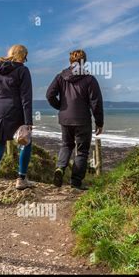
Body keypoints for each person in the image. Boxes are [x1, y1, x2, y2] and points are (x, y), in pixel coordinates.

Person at [0, 44, 34, 205]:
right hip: (15, 114)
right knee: (25, 143)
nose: (26, 59)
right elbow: (26, 98)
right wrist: (28, 122)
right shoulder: (23, 71)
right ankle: (21, 178)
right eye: (25, 56)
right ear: (22, 56)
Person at [46, 49, 104, 190]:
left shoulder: (60, 77)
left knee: (66, 145)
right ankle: (76, 182)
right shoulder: (89, 79)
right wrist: (99, 122)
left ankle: (60, 168)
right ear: (84, 62)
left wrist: (61, 106)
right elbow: (96, 102)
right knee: (82, 151)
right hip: (82, 120)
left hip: (65, 118)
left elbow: (49, 95)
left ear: (70, 61)